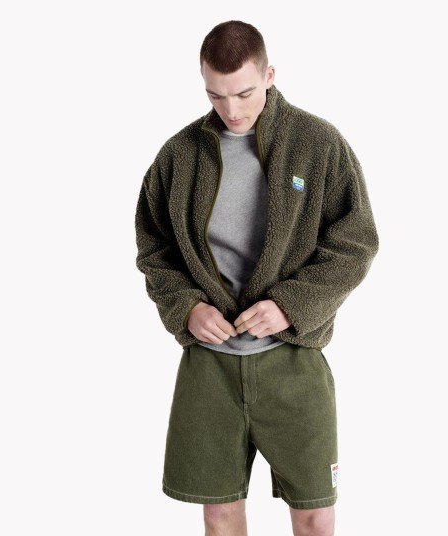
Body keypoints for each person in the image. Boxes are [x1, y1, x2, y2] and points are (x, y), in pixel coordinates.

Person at [135, 19, 379, 536]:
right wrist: (186, 307)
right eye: (215, 95)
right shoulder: (178, 156)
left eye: (244, 92)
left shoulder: (317, 143)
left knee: (314, 514)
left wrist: (291, 305)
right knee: (220, 513)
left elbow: (356, 241)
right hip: (209, 367)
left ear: (269, 75)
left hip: (294, 359)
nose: (231, 109)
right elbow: (154, 248)